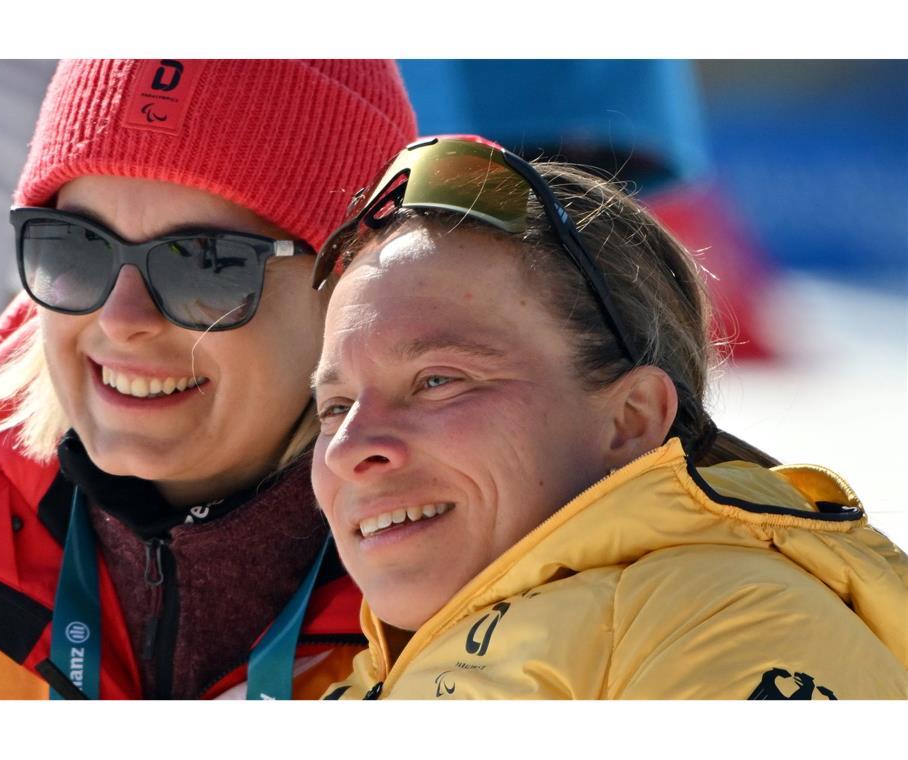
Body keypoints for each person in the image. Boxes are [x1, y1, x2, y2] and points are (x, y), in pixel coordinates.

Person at [0, 59, 416, 699]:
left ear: (352, 287)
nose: (121, 318)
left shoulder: (474, 590)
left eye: (204, 265)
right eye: (75, 248)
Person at [309, 135, 908, 699]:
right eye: (334, 406)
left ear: (631, 419)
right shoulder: (360, 674)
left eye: (438, 381)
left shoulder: (729, 620)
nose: (348, 448)